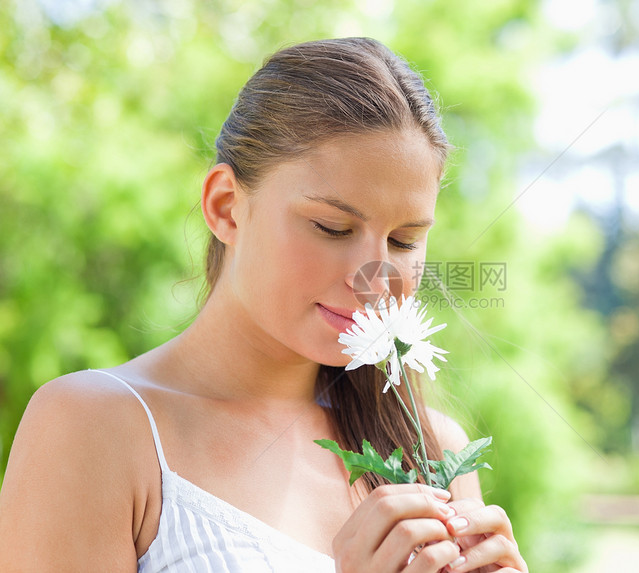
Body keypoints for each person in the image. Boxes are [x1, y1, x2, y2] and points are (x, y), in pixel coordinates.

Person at [0, 37, 528, 572]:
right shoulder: (94, 427)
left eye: (404, 241)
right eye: (332, 227)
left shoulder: (433, 450)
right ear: (226, 207)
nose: (373, 277)